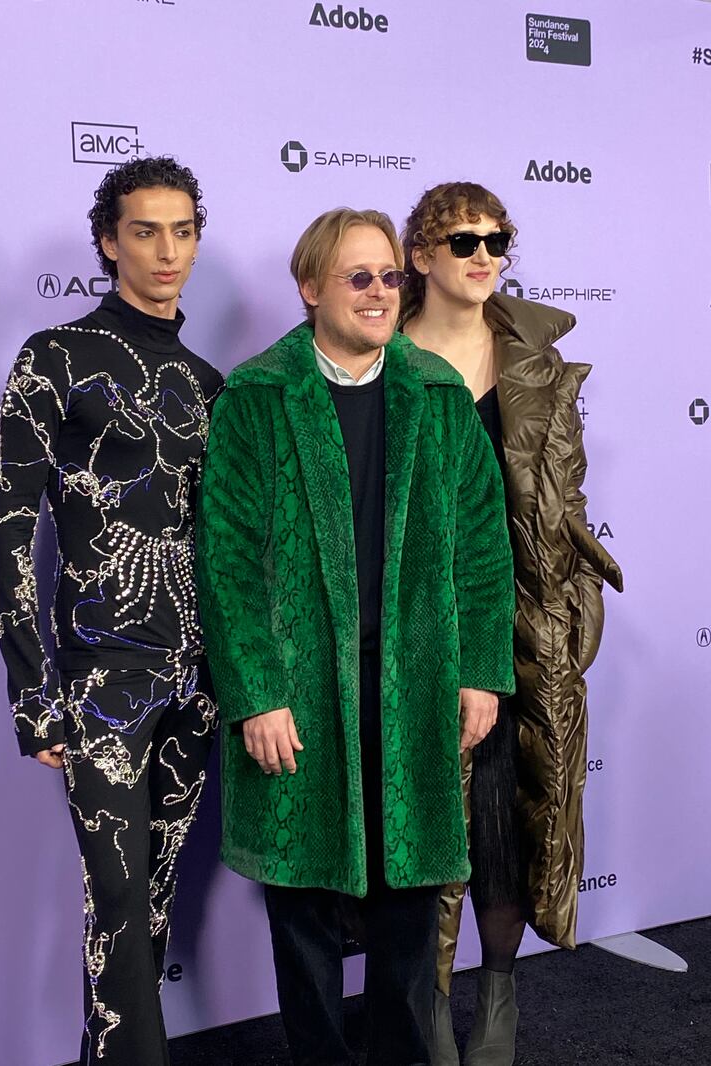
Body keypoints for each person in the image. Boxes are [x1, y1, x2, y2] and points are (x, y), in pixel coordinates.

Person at [196, 207, 516, 1066]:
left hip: (414, 686)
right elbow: (225, 561)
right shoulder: (257, 398)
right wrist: (257, 692)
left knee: (410, 904)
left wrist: (481, 672)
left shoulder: (437, 395)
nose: (381, 294)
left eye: (389, 277)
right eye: (359, 277)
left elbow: (485, 548)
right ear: (310, 289)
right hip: (298, 696)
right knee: (303, 912)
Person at [0, 156, 222, 1066]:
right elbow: (10, 529)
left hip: (195, 682)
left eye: (183, 231)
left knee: (151, 900)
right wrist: (29, 690)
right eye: (145, 231)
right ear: (107, 240)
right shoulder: (55, 357)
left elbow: (228, 550)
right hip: (100, 679)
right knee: (117, 899)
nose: (167, 251)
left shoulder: (211, 383)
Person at [400, 182, 624, 1066]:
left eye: (497, 239)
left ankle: (498, 995)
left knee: (508, 816)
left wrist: (573, 601)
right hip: (417, 622)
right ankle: (426, 999)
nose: (485, 255)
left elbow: (564, 493)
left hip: (528, 615)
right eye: (463, 242)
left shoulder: (532, 356)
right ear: (420, 256)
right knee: (423, 825)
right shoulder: (381, 351)